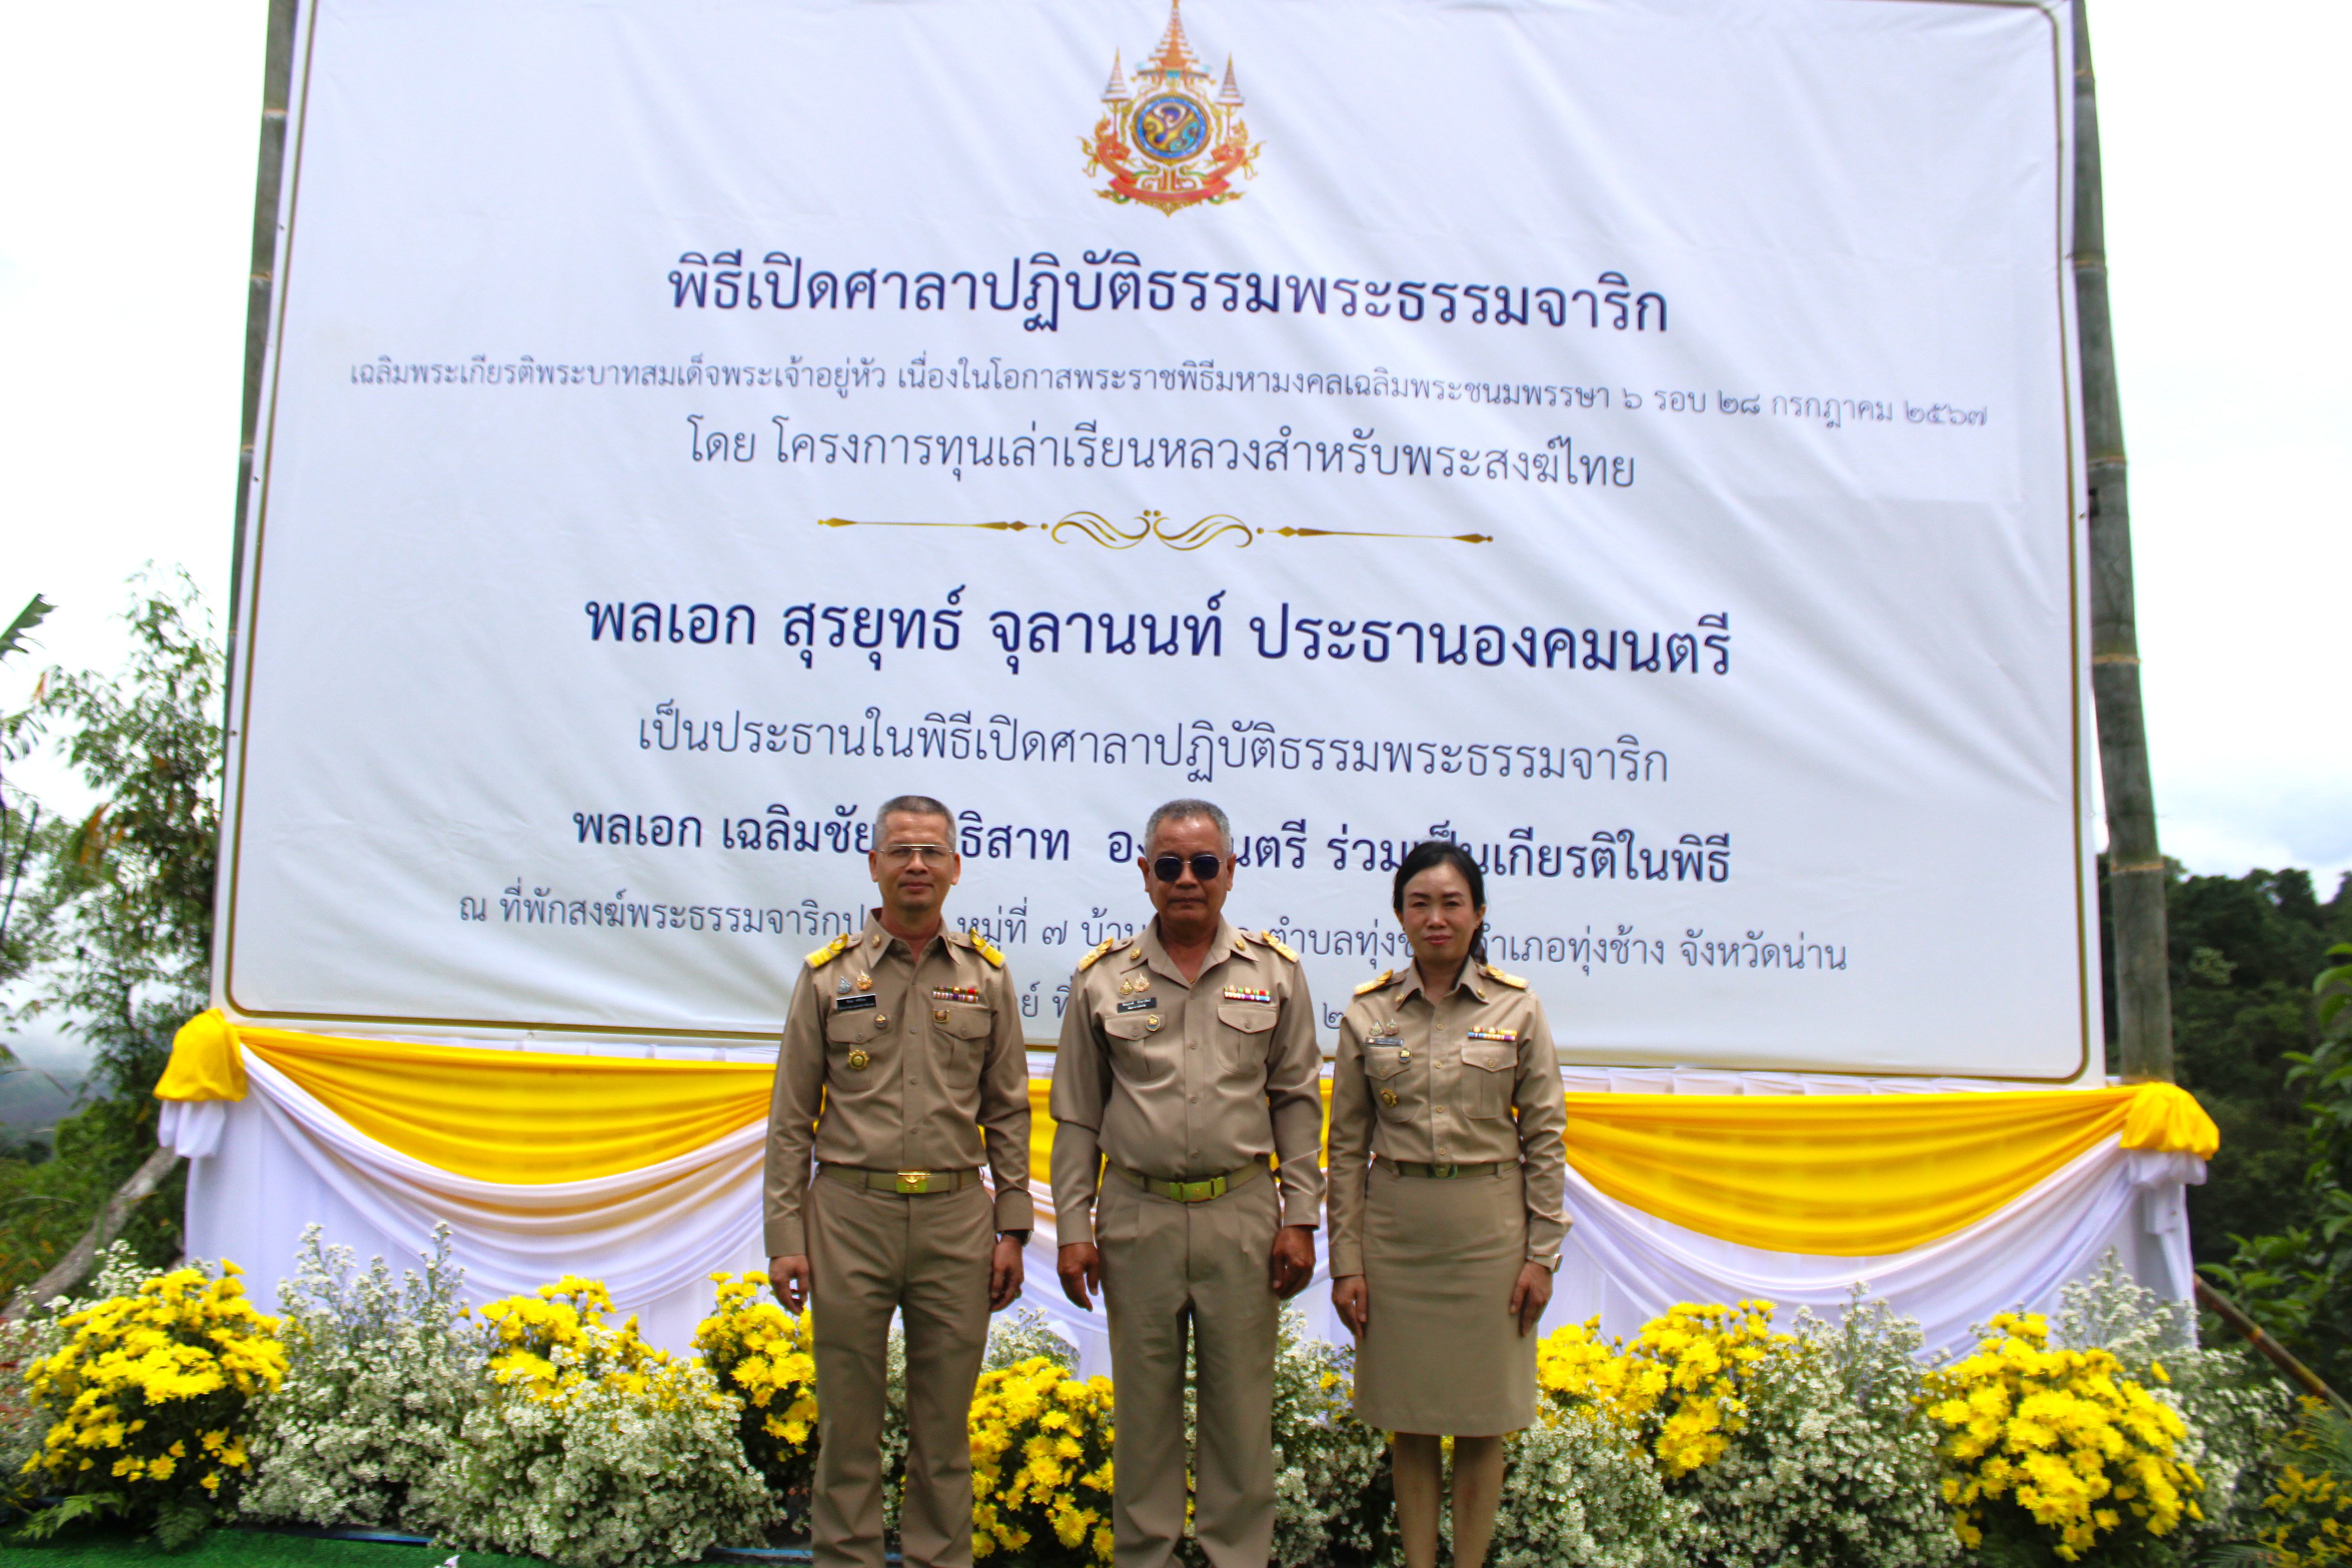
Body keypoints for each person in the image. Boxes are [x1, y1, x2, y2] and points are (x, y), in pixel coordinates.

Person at [1049, 798, 1324, 1568]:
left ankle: (1237, 1557)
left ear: (1230, 872)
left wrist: (1300, 1216)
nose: (1187, 880)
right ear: (1145, 875)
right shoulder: (1104, 980)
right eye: (1169, 865)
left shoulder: (1275, 974)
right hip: (1137, 1214)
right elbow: (1076, 1115)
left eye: (1204, 864)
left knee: (1240, 1416)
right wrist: (1073, 1227)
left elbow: (1298, 1103)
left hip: (1241, 1212)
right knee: (1144, 1416)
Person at [763, 795, 1033, 1568]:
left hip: (956, 1221)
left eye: (931, 852)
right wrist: (786, 1237)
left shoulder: (986, 976)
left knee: (944, 1436)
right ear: (875, 865)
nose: (917, 865)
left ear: (954, 868)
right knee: (848, 1431)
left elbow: (1008, 1112)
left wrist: (1012, 1230)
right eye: (901, 850)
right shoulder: (825, 978)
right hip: (849, 1214)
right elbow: (791, 1120)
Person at [1327, 840, 1569, 1568]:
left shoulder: (1518, 1007)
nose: (1436, 918)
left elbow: (1548, 1137)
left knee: (1482, 1420)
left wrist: (1542, 1255)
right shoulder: (1369, 1011)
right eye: (1420, 903)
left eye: (1451, 902)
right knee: (1410, 1419)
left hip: (1489, 1233)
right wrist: (1348, 1261)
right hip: (1397, 1233)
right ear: (1400, 914)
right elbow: (1344, 1147)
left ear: (1479, 913)